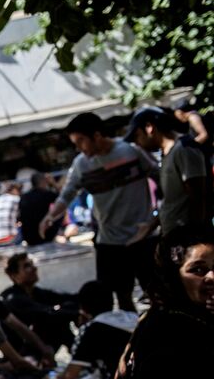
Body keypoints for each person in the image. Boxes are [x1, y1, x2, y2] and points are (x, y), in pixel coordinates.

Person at [42, 112, 160, 311]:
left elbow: (160, 178)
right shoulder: (81, 164)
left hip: (143, 237)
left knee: (158, 294)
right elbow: (68, 192)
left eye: (81, 141)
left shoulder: (131, 151)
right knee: (121, 297)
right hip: (109, 241)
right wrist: (50, 216)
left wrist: (156, 218)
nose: (78, 147)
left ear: (97, 136)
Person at [118, 231, 214, 379]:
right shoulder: (166, 326)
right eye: (198, 270)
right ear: (173, 277)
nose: (212, 277)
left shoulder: (195, 317)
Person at [127, 106, 210, 243]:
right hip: (173, 238)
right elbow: (173, 202)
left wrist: (194, 240)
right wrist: (150, 227)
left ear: (149, 128)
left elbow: (198, 197)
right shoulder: (166, 154)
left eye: (137, 136)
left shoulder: (184, 149)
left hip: (187, 240)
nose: (137, 142)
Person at [0, 252, 78, 351]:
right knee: (56, 321)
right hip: (22, 350)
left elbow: (66, 297)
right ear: (14, 275)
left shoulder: (37, 292)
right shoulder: (12, 298)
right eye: (27, 266)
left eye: (32, 264)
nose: (34, 268)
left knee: (67, 308)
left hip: (40, 343)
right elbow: (45, 313)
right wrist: (77, 314)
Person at [19, 172, 62, 245]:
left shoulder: (24, 197)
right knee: (61, 211)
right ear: (43, 181)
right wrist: (53, 183)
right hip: (44, 236)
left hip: (28, 238)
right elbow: (63, 199)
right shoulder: (46, 194)